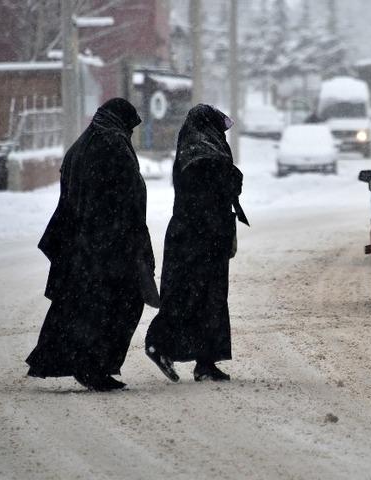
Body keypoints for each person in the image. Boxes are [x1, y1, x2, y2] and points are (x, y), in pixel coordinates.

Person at [26, 98, 156, 391]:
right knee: (116, 305)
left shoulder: (84, 145)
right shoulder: (111, 144)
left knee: (80, 307)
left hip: (82, 244)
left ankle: (84, 363)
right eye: (131, 126)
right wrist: (127, 240)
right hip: (107, 245)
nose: (132, 133)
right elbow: (121, 197)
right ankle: (93, 366)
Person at [145, 104, 248, 382]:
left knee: (209, 300)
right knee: (187, 296)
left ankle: (205, 362)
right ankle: (160, 344)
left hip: (205, 236)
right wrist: (230, 176)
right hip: (196, 237)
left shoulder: (197, 147)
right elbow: (224, 182)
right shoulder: (199, 151)